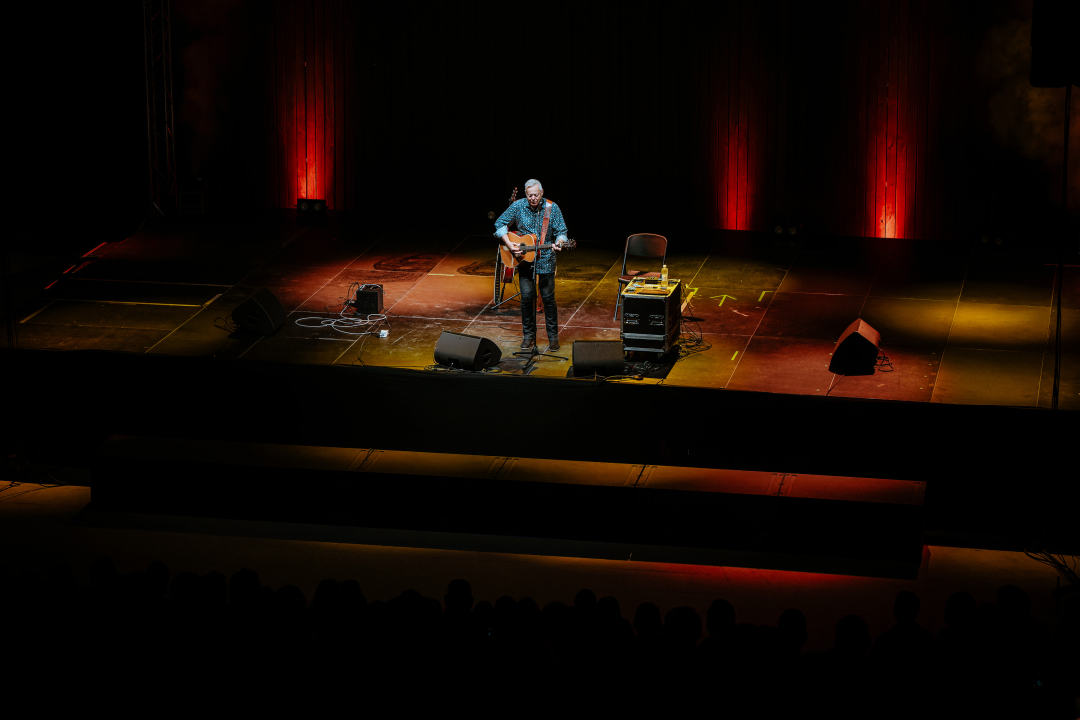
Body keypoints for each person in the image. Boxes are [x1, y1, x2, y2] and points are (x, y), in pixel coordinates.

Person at [494, 179, 569, 350]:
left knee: (549, 299)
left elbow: (562, 232)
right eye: (530, 196)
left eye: (536, 195)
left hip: (546, 259)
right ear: (525, 195)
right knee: (527, 298)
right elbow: (499, 224)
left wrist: (560, 242)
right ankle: (528, 336)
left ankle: (553, 338)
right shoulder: (518, 206)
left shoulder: (552, 208)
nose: (533, 198)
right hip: (524, 261)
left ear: (542, 192)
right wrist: (509, 243)